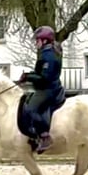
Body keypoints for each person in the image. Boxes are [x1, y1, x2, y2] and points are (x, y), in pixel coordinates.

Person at [18, 25, 66, 153]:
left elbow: (45, 78)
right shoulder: (46, 53)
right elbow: (39, 73)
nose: (36, 43)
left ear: (44, 40)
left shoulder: (49, 55)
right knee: (26, 103)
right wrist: (28, 76)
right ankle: (34, 136)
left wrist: (28, 77)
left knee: (31, 108)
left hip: (49, 89)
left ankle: (45, 136)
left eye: (37, 40)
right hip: (47, 87)